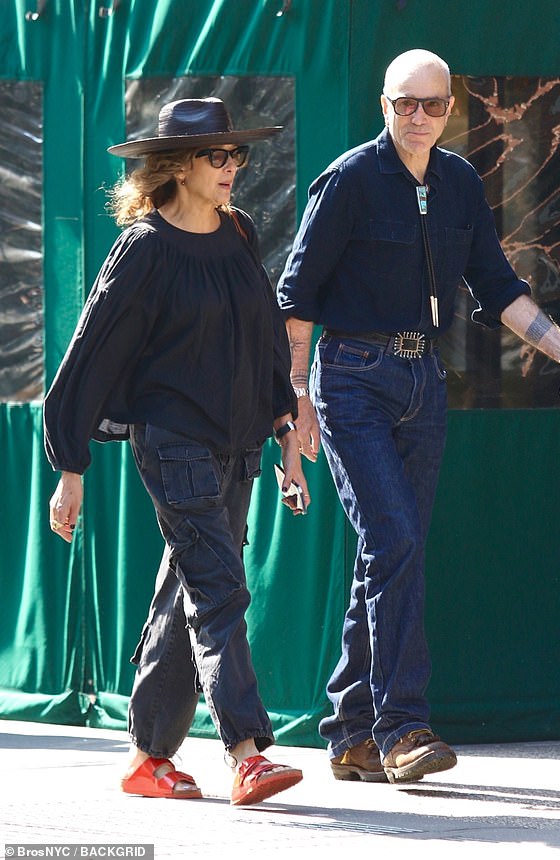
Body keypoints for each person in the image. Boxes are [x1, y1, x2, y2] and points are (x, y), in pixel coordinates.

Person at [277, 49, 560, 785]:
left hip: (423, 376)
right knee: (393, 539)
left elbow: (497, 282)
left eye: (432, 104)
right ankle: (402, 728)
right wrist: (297, 400)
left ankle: (349, 729)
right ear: (382, 105)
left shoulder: (459, 182)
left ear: (450, 107)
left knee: (394, 551)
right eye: (404, 104)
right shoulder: (349, 179)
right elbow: (297, 296)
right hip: (351, 376)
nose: (417, 117)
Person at [44, 96, 309, 806]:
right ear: (176, 167)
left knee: (185, 593)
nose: (231, 168)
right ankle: (247, 753)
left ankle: (147, 759)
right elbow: (91, 355)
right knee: (220, 588)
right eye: (214, 156)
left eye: (236, 154)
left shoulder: (241, 233)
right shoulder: (145, 246)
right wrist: (71, 468)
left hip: (236, 445)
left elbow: (259, 339)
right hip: (174, 446)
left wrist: (285, 425)